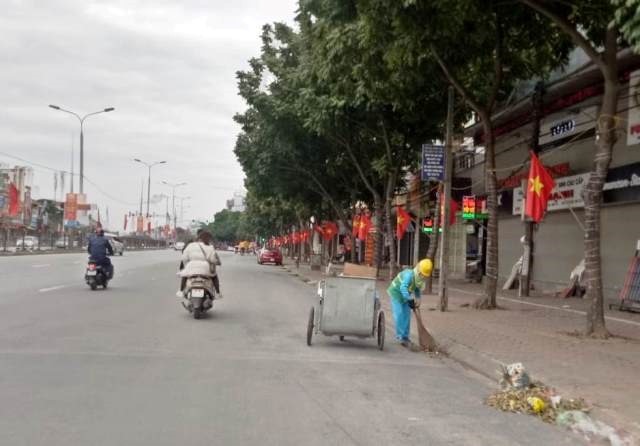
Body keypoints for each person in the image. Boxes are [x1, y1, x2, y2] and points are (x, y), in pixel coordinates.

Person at [387, 258, 433, 347]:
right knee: (400, 314)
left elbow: (416, 288)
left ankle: (405, 337)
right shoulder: (409, 275)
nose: (423, 276)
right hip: (396, 294)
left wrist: (418, 298)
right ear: (418, 269)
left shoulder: (418, 278)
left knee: (407, 315)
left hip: (405, 296)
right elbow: (403, 288)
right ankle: (400, 336)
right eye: (422, 274)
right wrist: (409, 299)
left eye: (424, 275)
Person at [177, 230, 222, 298]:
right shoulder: (210, 247)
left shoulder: (190, 245)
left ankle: (181, 291)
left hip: (191, 267)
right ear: (208, 239)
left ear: (199, 238)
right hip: (205, 268)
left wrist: (187, 266)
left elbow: (184, 258)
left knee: (185, 275)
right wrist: (216, 262)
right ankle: (218, 293)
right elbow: (213, 260)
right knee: (214, 276)